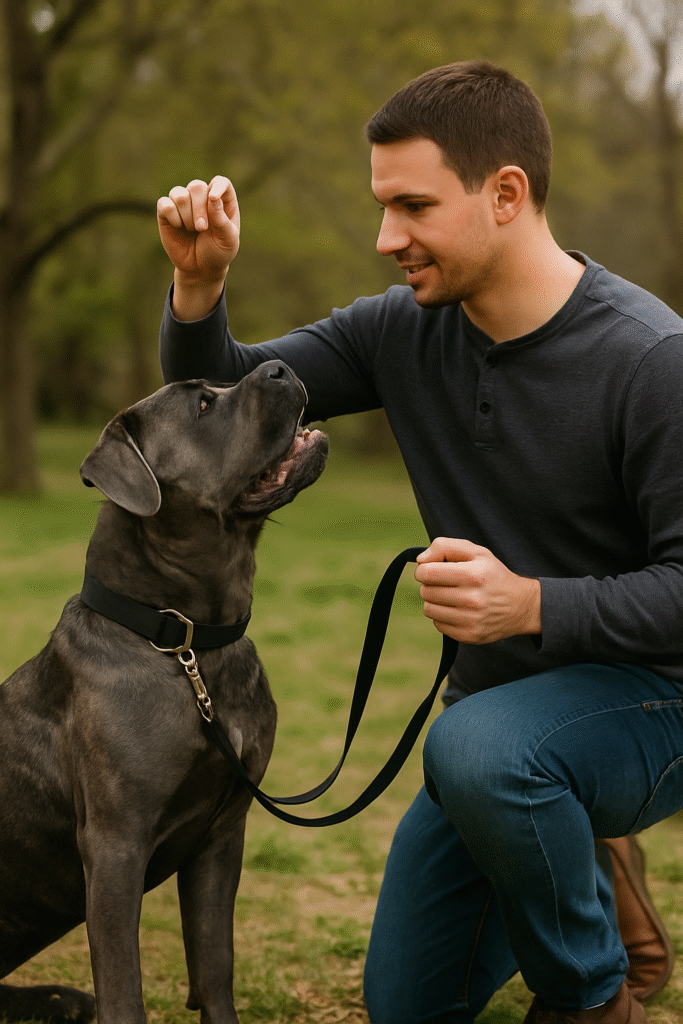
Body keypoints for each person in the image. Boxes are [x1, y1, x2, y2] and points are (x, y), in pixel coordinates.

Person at [156, 61, 681, 1024]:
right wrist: (201, 287)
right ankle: (572, 846)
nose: (385, 238)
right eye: (381, 206)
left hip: (652, 704)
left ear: (506, 194)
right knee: (407, 1006)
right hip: (501, 723)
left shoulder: (649, 359)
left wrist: (529, 604)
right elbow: (222, 406)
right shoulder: (400, 330)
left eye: (412, 207)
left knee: (483, 749)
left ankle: (591, 995)